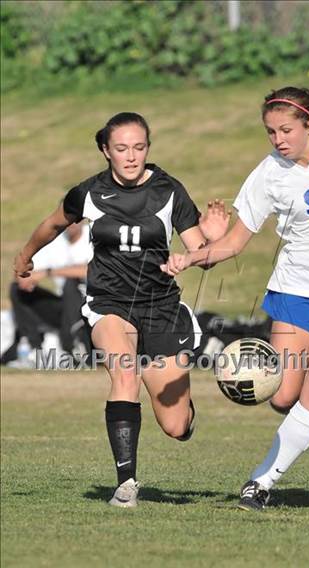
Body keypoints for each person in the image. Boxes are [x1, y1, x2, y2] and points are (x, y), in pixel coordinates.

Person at [160, 86, 309, 511]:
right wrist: (191, 257)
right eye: (270, 132)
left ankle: (261, 482)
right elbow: (233, 243)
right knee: (284, 395)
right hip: (294, 290)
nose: (278, 140)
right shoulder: (268, 174)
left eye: (285, 130)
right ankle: (291, 425)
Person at [14, 112, 230, 507]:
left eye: (139, 147)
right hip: (108, 302)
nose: (131, 157)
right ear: (105, 151)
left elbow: (202, 253)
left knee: (176, 426)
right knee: (124, 374)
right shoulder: (90, 192)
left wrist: (210, 244)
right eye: (121, 149)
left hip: (160, 307)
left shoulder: (169, 191)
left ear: (148, 148)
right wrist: (26, 255)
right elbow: (52, 224)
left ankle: (180, 402)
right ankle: (126, 483)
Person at [2, 222, 91, 367]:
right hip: (64, 307)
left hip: (89, 308)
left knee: (71, 283)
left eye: (77, 220)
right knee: (17, 289)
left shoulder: (93, 236)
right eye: (69, 220)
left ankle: (72, 344)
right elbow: (22, 268)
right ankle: (33, 349)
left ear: (83, 220)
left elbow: (90, 270)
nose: (72, 225)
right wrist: (25, 278)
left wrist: (47, 273)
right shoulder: (55, 241)